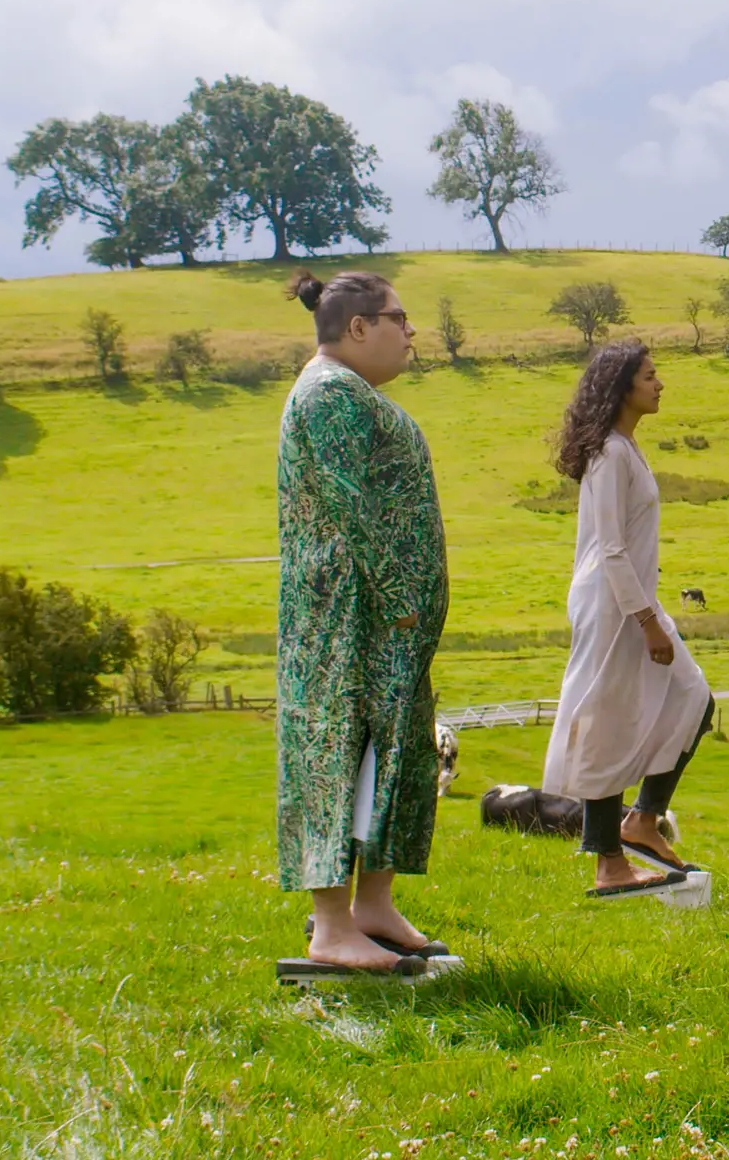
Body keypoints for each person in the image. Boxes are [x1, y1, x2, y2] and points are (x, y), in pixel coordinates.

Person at [276, 270, 450, 973]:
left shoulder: (352, 394)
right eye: (398, 318)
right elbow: (355, 507)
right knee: (338, 753)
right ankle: (331, 925)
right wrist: (400, 595)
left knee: (392, 756)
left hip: (383, 623)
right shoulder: (329, 394)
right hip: (348, 621)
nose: (410, 332)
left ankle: (373, 907)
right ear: (357, 328)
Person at [542, 341, 715, 896]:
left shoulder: (624, 447)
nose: (659, 384)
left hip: (632, 600)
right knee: (608, 720)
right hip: (616, 605)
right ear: (621, 388)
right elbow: (611, 550)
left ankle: (642, 821)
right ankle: (609, 860)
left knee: (694, 697)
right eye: (649, 375)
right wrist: (647, 620)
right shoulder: (611, 454)